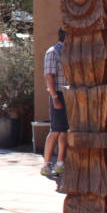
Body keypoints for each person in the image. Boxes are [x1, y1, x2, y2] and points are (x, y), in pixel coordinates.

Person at [41, 29, 69, 177]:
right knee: (56, 130)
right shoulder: (53, 52)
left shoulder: (70, 52)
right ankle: (46, 164)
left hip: (69, 94)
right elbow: (49, 76)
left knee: (65, 131)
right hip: (58, 93)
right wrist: (54, 97)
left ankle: (60, 163)